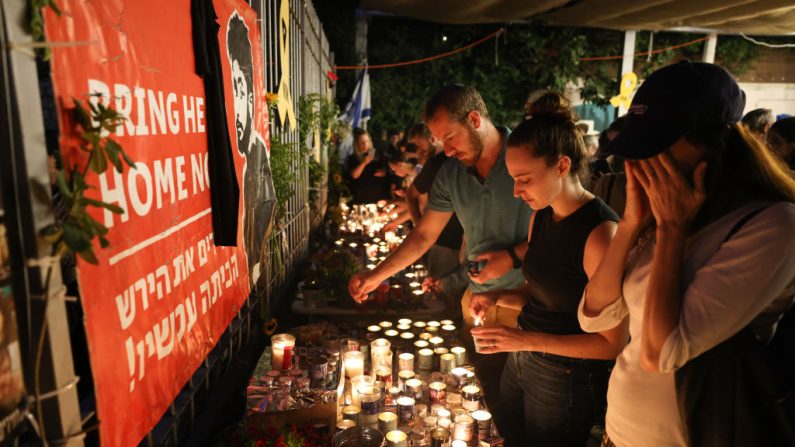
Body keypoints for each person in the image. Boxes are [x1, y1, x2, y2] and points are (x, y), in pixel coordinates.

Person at [579, 60, 795, 446]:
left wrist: (672, 229)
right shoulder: (664, 214)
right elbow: (594, 315)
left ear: (715, 143)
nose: (645, 161)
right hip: (619, 431)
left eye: (659, 145)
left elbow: (661, 353)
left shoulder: (772, 225)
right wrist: (631, 223)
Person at [348, 84, 532, 402]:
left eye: (449, 137)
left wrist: (513, 257)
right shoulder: (451, 173)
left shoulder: (527, 155)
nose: (445, 150)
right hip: (478, 301)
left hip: (528, 305)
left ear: (474, 119)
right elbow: (423, 234)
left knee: (520, 404)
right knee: (479, 395)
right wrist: (376, 275)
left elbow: (560, 233)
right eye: (439, 141)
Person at [469, 93, 626, 446]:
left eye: (524, 178)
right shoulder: (541, 216)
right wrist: (497, 297)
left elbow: (611, 343)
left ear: (562, 165)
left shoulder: (601, 234)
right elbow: (545, 295)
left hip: (564, 376)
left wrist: (525, 339)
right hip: (523, 357)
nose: (515, 191)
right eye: (513, 178)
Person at [227, 12, 276, 285]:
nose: (236, 109)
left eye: (241, 88)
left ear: (250, 95)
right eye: (232, 90)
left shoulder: (257, 157)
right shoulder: (238, 154)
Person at [405, 122, 467, 310]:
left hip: (471, 247)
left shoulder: (470, 164)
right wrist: (418, 225)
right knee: (441, 302)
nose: (418, 150)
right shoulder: (437, 164)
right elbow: (412, 195)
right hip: (444, 244)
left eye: (419, 144)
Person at [345, 127, 391, 204]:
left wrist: (385, 172)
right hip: (362, 198)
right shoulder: (353, 158)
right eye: (362, 142)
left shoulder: (379, 155)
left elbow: (390, 169)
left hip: (379, 197)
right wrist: (363, 163)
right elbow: (354, 175)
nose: (365, 144)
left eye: (366, 141)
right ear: (357, 144)